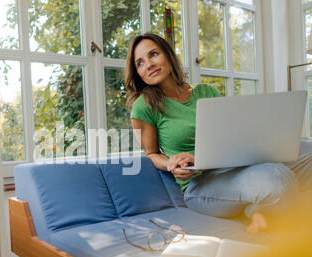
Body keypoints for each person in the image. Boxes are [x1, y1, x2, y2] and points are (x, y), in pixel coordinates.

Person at [125, 32, 311, 234]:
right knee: (276, 177)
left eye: (153, 54)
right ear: (137, 72)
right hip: (201, 185)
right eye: (140, 63)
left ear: (168, 56)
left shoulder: (206, 91)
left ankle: (262, 209)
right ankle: (263, 208)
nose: (149, 64)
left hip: (237, 166)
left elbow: (230, 134)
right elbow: (151, 154)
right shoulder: (144, 106)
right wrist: (171, 164)